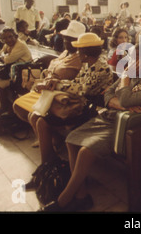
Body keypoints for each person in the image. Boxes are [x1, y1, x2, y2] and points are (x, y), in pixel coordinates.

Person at [39, 42, 141, 212]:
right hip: (108, 117)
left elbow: (126, 99)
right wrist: (120, 103)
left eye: (134, 57)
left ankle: (62, 201)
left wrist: (125, 83)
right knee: (71, 140)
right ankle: (81, 195)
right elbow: (106, 95)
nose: (129, 61)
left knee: (85, 151)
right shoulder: (133, 75)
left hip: (123, 127)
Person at [27, 32, 113, 169]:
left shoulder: (101, 67)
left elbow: (82, 89)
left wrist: (59, 83)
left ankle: (47, 164)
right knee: (40, 120)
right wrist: (57, 82)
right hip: (80, 104)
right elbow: (76, 82)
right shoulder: (88, 63)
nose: (77, 53)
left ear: (85, 53)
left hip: (89, 110)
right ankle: (48, 162)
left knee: (42, 122)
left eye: (79, 50)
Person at [13, 21, 86, 146]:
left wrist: (54, 80)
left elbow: (78, 82)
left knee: (34, 115)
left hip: (59, 95)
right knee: (18, 106)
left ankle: (49, 140)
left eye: (71, 39)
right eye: (65, 38)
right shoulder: (65, 53)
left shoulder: (81, 58)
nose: (66, 42)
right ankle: (47, 137)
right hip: (47, 90)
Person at [0, 28, 33, 116]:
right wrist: (2, 56)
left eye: (10, 37)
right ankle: (7, 106)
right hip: (11, 71)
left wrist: (3, 57)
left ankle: (4, 107)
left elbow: (8, 59)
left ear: (15, 36)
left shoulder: (20, 45)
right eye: (4, 38)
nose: (8, 40)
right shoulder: (8, 45)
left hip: (21, 74)